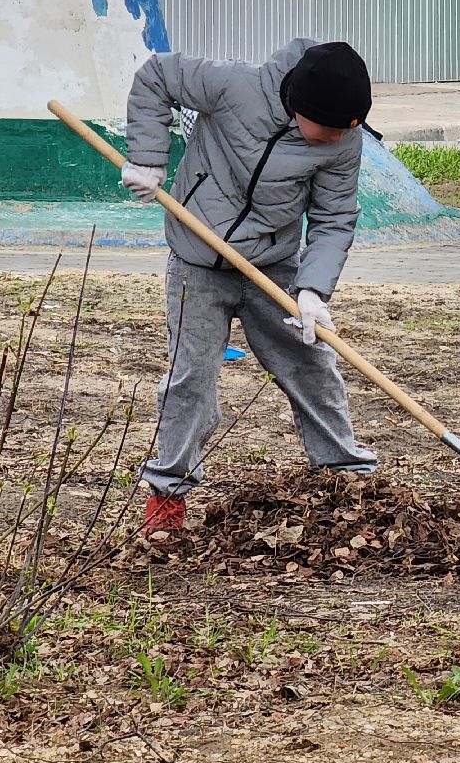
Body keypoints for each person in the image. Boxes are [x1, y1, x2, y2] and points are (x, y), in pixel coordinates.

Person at [122, 38, 378, 532]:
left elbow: (334, 217)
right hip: (197, 261)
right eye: (327, 129)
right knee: (190, 379)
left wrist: (312, 289)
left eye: (345, 131)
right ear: (299, 106)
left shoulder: (344, 139)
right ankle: (167, 497)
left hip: (273, 267)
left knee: (312, 366)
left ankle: (347, 479)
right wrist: (148, 157)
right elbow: (157, 75)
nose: (334, 139)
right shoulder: (234, 86)